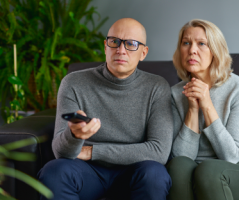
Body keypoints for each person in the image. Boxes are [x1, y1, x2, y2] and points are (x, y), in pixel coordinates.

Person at [38, 18, 173, 200]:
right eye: (114, 42)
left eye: (131, 44)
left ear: (143, 52)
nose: (121, 50)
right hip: (88, 172)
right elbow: (61, 153)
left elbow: (158, 151)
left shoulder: (157, 87)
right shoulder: (74, 83)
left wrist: (93, 151)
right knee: (54, 171)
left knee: (155, 174)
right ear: (105, 46)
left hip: (134, 171)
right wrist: (75, 136)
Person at [166, 19, 239, 200]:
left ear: (215, 51)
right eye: (186, 43)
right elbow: (182, 158)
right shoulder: (175, 93)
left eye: (202, 43)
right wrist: (193, 109)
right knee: (177, 166)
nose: (192, 50)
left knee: (208, 170)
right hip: (197, 169)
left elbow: (231, 156)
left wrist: (207, 104)